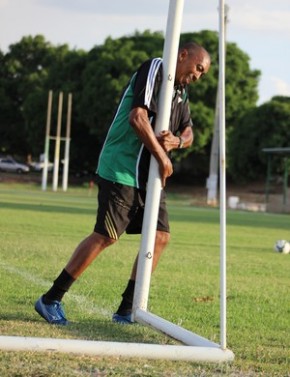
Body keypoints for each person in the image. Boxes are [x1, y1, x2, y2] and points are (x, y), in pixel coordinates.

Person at [35, 41, 211, 325]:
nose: (198, 76)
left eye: (203, 74)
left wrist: (177, 141)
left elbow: (189, 131)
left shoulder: (181, 91)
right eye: (198, 68)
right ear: (182, 55)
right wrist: (163, 157)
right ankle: (51, 298)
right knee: (106, 235)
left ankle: (126, 310)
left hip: (149, 176)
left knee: (160, 236)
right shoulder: (155, 68)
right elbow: (137, 118)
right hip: (121, 167)